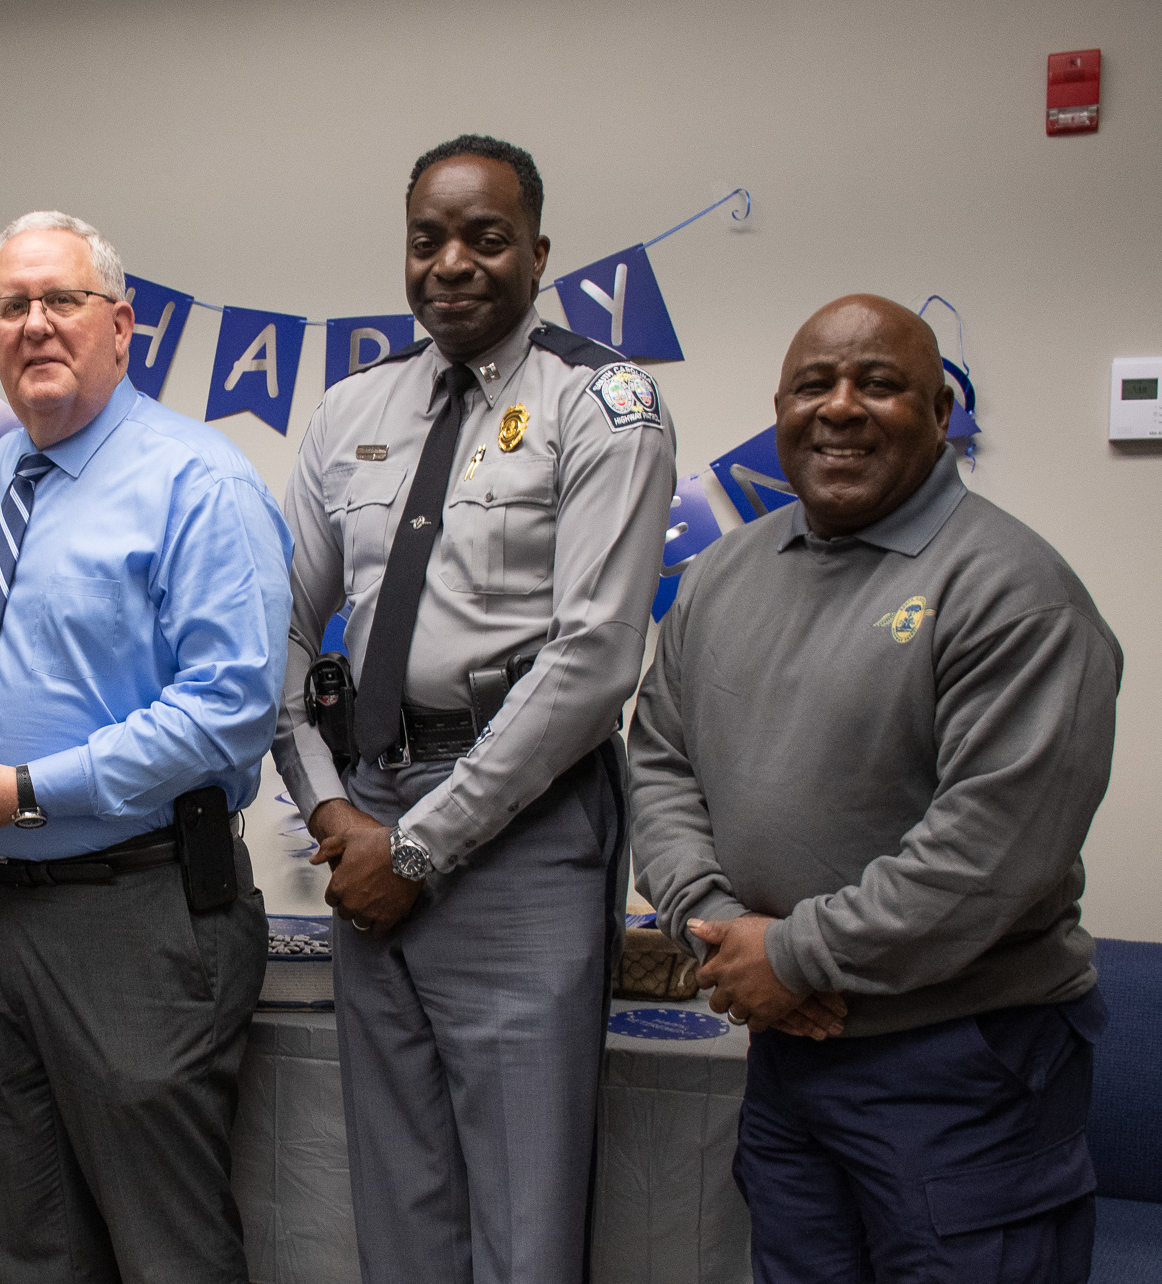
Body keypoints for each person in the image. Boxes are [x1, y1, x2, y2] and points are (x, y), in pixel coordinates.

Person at [631, 294, 1120, 1282]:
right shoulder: (723, 573)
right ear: (779, 412)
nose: (839, 407)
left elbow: (985, 855)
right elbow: (655, 762)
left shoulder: (1011, 589)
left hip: (959, 1069)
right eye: (812, 384)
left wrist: (798, 955)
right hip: (785, 1055)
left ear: (941, 413)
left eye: (879, 384)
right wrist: (722, 932)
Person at [270, 135, 677, 1283]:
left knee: (520, 1206)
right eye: (426, 239)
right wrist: (332, 811)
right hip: (367, 823)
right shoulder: (350, 408)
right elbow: (281, 639)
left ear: (536, 253)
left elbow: (594, 660)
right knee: (396, 1190)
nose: (451, 262)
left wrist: (422, 848)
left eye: (484, 237)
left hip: (520, 830)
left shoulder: (603, 404)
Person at [0, 211, 291, 1284]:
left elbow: (229, 708)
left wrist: (24, 791)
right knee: (31, 1243)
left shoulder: (196, 481)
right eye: (10, 306)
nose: (34, 325)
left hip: (140, 915)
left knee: (166, 1247)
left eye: (59, 300)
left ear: (121, 326)